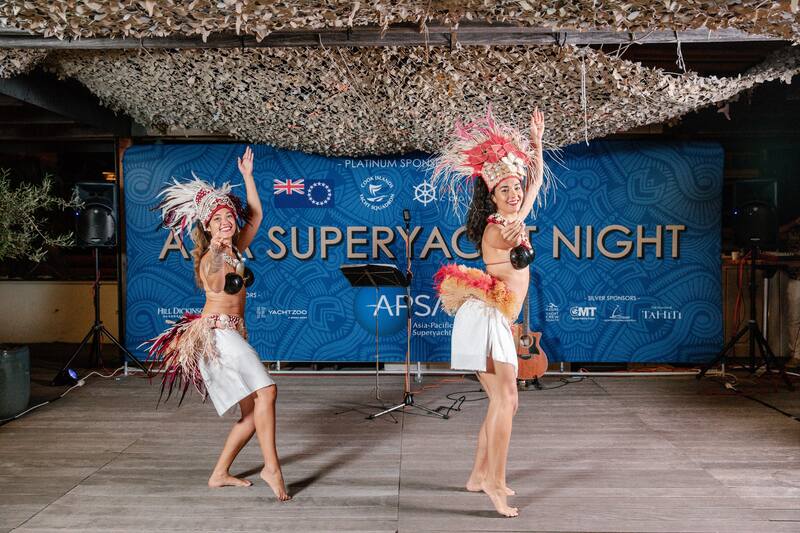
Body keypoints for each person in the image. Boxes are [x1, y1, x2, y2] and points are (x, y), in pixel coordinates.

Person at [144, 147, 290, 501]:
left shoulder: (235, 247)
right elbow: (214, 278)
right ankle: (271, 468)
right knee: (268, 392)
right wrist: (220, 254)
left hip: (233, 331)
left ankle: (219, 473)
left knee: (252, 414)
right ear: (207, 227)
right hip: (217, 333)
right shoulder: (212, 256)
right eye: (218, 219)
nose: (226, 221)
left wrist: (247, 177)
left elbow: (256, 214)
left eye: (228, 216)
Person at [433, 107, 549, 517]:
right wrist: (516, 230)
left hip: (495, 318)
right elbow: (511, 233)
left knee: (506, 402)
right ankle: (495, 485)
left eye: (515, 187)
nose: (515, 193)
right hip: (485, 320)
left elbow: (536, 183)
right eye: (506, 190)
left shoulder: (512, 216)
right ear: (492, 196)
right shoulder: (499, 228)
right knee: (506, 399)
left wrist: (536, 144)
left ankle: (478, 476)